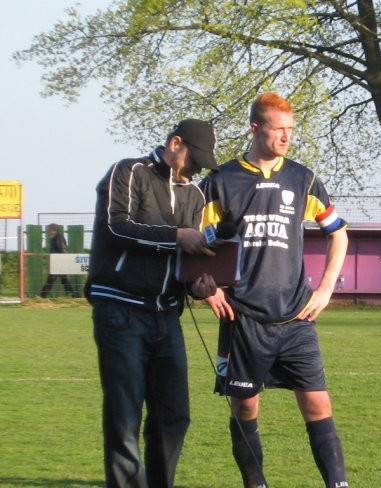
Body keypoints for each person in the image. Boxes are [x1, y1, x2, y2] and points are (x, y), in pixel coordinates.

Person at [200, 92, 350, 488]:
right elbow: (195, 241)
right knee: (245, 405)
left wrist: (325, 289)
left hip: (296, 315)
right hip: (243, 318)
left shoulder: (303, 178)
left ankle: (339, 484)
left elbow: (339, 235)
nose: (287, 137)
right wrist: (207, 286)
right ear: (255, 128)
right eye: (279, 129)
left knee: (318, 403)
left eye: (291, 130)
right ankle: (256, 484)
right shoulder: (220, 181)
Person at [86, 119, 220, 488]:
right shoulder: (128, 172)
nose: (198, 169)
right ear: (175, 143)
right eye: (196, 159)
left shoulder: (195, 195)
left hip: (167, 315)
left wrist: (198, 286)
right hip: (120, 309)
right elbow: (115, 227)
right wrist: (176, 235)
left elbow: (185, 261)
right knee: (125, 416)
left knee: (174, 415)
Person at [39, 223, 77, 297]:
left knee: (51, 279)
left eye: (50, 230)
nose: (49, 232)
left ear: (54, 230)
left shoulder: (58, 237)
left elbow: (63, 250)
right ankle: (72, 295)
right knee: (63, 279)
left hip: (59, 261)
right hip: (58, 261)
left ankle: (43, 295)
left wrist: (62, 261)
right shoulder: (54, 238)